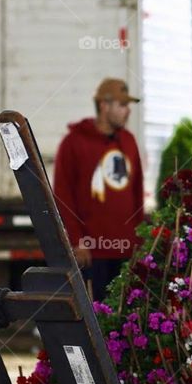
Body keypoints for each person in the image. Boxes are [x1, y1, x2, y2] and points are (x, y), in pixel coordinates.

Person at [54, 78, 145, 301]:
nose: (127, 111)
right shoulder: (73, 143)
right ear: (104, 106)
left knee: (125, 314)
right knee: (95, 315)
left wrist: (139, 242)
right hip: (92, 253)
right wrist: (77, 241)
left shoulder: (129, 141)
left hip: (126, 252)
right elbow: (63, 197)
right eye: (122, 105)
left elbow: (137, 193)